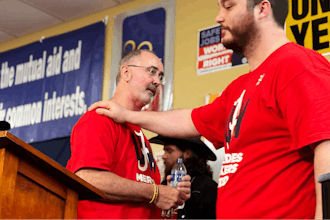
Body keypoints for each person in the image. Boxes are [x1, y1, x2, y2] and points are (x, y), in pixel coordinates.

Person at [88, 0, 330, 219]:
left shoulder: (297, 65)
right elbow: (190, 120)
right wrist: (128, 115)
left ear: (262, 9)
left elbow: (327, 148)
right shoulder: (239, 88)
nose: (218, 17)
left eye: (229, 6)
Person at [66, 49, 191, 220]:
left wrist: (170, 197)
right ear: (126, 73)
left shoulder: (140, 135)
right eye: (152, 71)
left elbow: (141, 199)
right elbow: (87, 178)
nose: (157, 81)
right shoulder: (99, 119)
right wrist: (155, 192)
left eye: (160, 76)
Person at [149, 135, 217, 220]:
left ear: (187, 154)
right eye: (164, 151)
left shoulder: (208, 188)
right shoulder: (165, 185)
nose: (163, 156)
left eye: (169, 151)